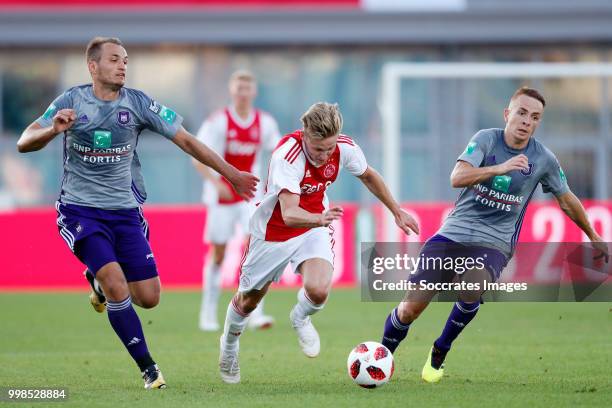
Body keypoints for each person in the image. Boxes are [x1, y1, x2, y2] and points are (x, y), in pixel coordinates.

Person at [16, 37, 258, 390]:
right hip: (80, 211)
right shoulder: (70, 101)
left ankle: (96, 280)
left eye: (125, 60)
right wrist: (53, 130)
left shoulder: (139, 104)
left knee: (149, 298)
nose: (123, 65)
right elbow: (25, 140)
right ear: (93, 66)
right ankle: (149, 368)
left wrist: (232, 174)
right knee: (117, 285)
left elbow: (187, 140)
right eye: (114, 59)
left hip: (126, 212)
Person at [379, 86, 609, 383]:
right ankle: (381, 357)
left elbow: (566, 198)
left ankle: (440, 349)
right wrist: (500, 167)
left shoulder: (544, 159)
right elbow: (456, 177)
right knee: (410, 308)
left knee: (473, 285)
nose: (527, 121)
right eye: (522, 112)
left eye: (535, 117)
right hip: (453, 234)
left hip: (495, 242)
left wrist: (591, 233)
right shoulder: (486, 140)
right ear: (507, 114)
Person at [218, 102, 420, 384]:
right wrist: (319, 218)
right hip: (274, 231)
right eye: (317, 149)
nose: (324, 156)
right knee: (249, 300)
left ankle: (300, 318)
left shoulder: (344, 148)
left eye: (329, 148)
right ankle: (228, 346)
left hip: (314, 224)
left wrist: (396, 210)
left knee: (319, 290)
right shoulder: (287, 156)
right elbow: (289, 214)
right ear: (304, 134)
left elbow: (368, 175)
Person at [193, 70, 280, 332]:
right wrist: (215, 182)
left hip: (250, 195)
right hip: (221, 197)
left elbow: (278, 153)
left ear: (254, 92)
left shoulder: (264, 122)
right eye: (239, 88)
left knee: (256, 247)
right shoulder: (218, 121)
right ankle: (207, 313)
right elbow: (197, 154)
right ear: (232, 91)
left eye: (247, 88)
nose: (243, 93)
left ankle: (255, 312)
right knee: (218, 254)